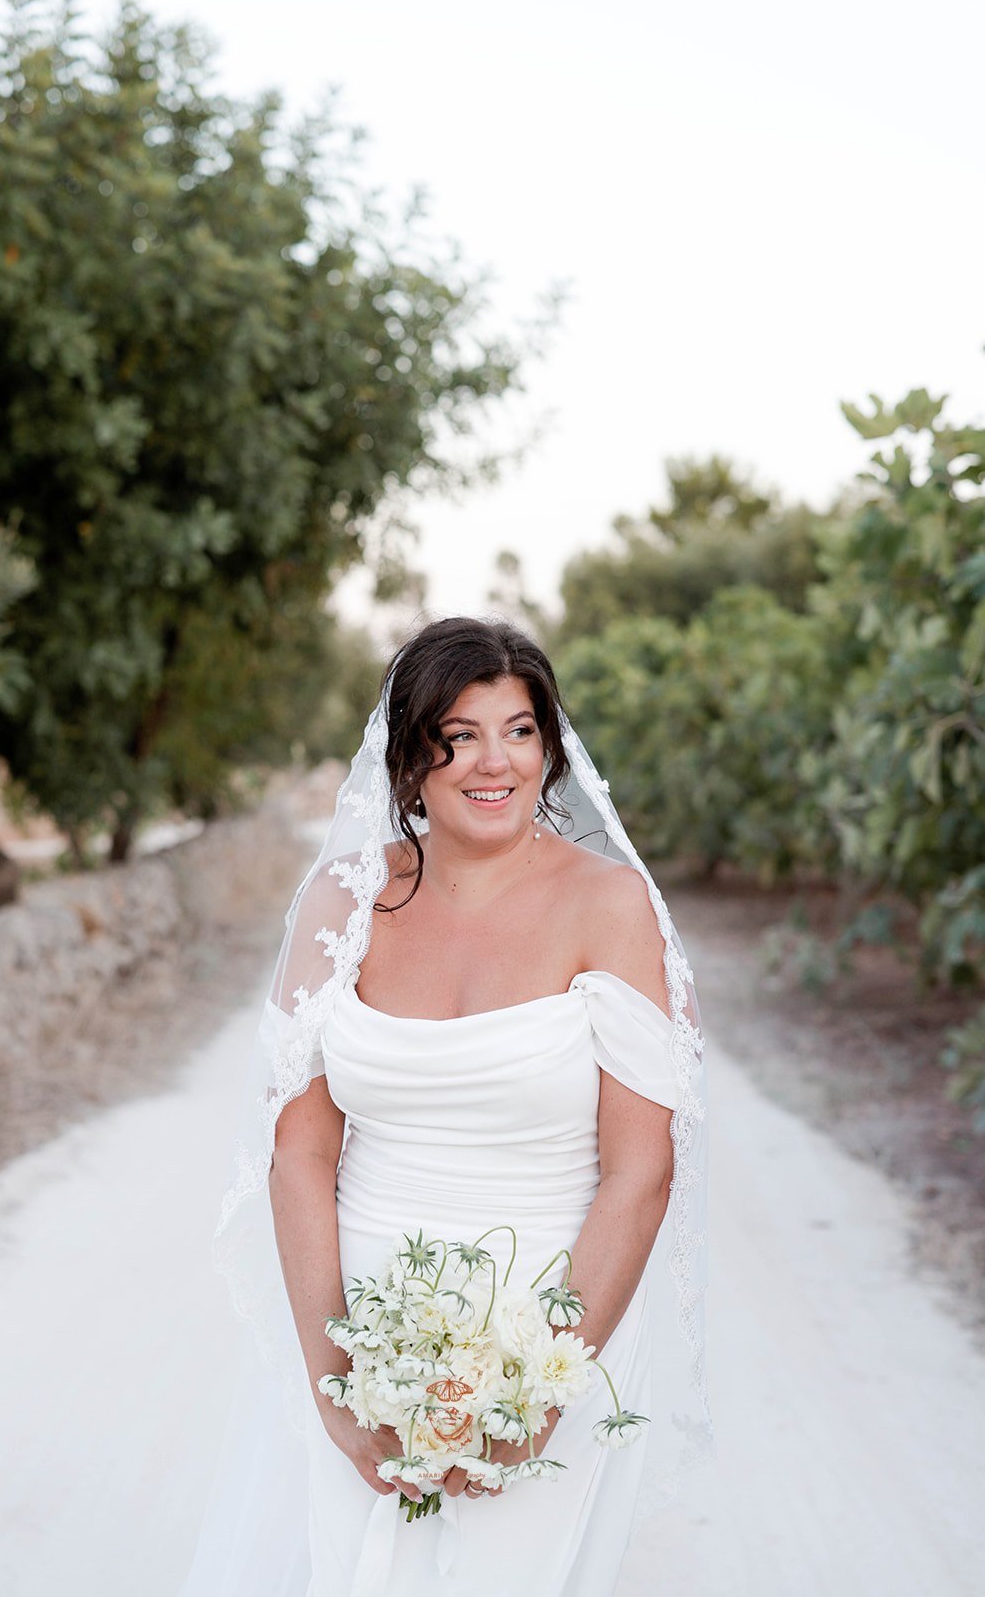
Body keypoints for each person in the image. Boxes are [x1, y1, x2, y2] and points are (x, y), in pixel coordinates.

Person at [177, 615, 712, 1597]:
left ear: (549, 749)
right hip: (368, 1316)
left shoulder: (607, 904)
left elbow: (640, 1171)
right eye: (458, 734)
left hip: (555, 1318)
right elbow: (296, 1152)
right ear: (406, 756)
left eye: (518, 730)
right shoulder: (340, 903)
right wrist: (336, 1380)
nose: (492, 760)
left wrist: (535, 1394)